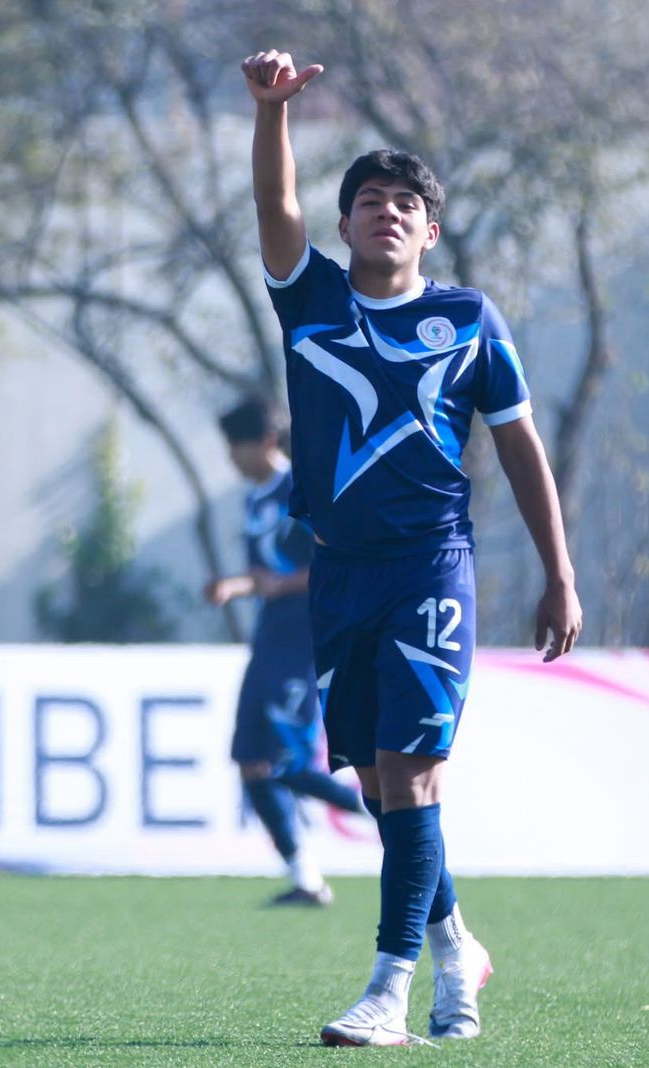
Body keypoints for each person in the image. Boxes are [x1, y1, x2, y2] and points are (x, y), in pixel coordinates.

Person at [242, 50, 583, 1046]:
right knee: (379, 786)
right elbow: (274, 202)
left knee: (413, 772)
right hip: (338, 575)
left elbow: (519, 446)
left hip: (431, 565)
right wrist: (272, 113)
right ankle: (455, 946)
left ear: (431, 230)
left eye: (406, 204)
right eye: (369, 201)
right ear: (344, 224)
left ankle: (389, 991)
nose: (386, 213)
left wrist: (559, 575)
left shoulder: (468, 320)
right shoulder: (310, 299)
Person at [205, 394, 366, 907]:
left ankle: (397, 815)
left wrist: (282, 585)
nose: (231, 457)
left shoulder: (305, 488)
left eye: (236, 446)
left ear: (267, 441)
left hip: (305, 640)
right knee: (252, 760)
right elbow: (267, 576)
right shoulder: (255, 499)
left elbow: (341, 560)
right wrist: (234, 587)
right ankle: (306, 880)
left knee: (287, 762)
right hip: (270, 639)